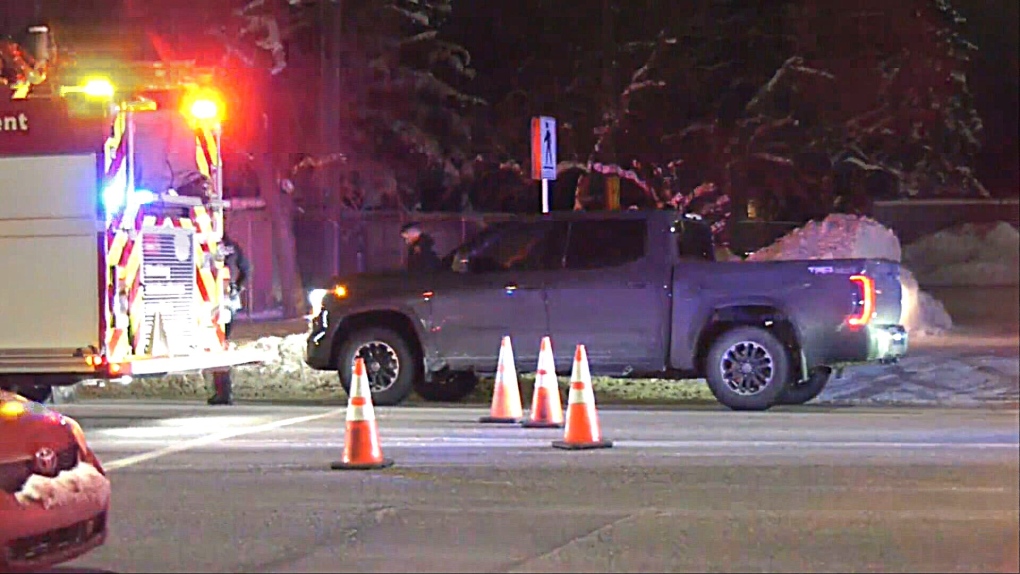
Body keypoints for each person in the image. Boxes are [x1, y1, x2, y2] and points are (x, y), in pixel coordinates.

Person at [207, 233, 252, 406]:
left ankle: (223, 392)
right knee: (221, 343)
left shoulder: (207, 246)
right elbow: (247, 269)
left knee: (217, 346)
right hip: (229, 302)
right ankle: (223, 391)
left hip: (213, 303)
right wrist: (237, 287)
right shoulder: (232, 246)